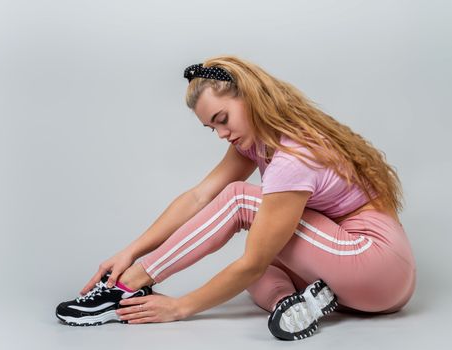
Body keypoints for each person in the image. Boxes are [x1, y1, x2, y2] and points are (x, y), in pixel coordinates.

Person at [56, 55, 416, 341]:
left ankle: (125, 288)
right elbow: (198, 197)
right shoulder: (259, 141)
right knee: (258, 274)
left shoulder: (293, 156)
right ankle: (289, 306)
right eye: (212, 127)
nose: (221, 134)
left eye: (223, 118)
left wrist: (181, 307)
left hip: (373, 259)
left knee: (242, 208)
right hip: (369, 287)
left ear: (249, 96)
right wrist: (129, 250)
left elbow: (236, 225)